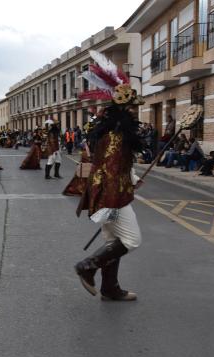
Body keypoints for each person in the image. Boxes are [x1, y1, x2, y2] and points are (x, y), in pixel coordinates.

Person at [74, 50, 146, 301]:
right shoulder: (117, 134)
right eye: (133, 108)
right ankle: (87, 266)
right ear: (124, 109)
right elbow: (113, 169)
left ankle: (109, 288)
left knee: (112, 239)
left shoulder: (111, 131)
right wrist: (124, 190)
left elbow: (111, 165)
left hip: (103, 193)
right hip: (112, 196)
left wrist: (133, 179)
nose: (135, 113)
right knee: (132, 239)